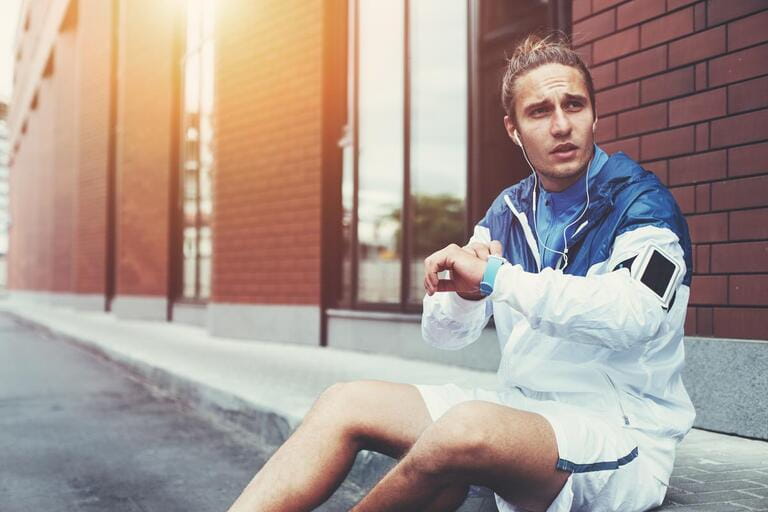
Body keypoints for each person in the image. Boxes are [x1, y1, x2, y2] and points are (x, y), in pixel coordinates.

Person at [227, 32, 695, 512]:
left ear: (594, 114)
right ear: (513, 129)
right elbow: (445, 334)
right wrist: (464, 297)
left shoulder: (642, 204)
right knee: (344, 402)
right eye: (540, 111)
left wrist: (497, 277)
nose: (561, 125)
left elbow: (632, 316)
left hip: (618, 436)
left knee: (464, 427)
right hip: (523, 415)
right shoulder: (511, 209)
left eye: (573, 105)